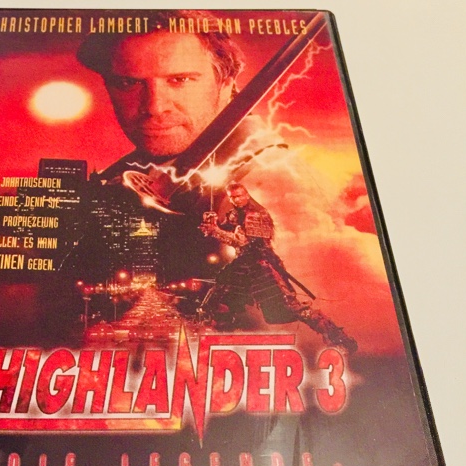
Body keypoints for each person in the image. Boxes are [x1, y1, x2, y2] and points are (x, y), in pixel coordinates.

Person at [77, 10, 245, 178]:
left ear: (225, 86)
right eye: (128, 83)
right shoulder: (112, 178)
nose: (155, 107)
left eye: (180, 80)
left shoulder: (257, 175)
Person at [199, 182, 357, 353]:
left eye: (238, 196)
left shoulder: (257, 215)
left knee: (290, 307)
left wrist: (216, 231)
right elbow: (227, 229)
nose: (235, 200)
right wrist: (214, 224)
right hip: (243, 265)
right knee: (218, 300)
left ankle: (337, 336)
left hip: (260, 265)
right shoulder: (235, 214)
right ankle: (217, 341)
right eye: (232, 197)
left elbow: (246, 243)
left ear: (246, 195)